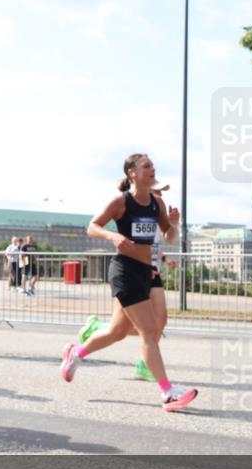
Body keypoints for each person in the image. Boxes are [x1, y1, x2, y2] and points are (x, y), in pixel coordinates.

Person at [60, 154, 198, 412]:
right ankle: (167, 393)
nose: (152, 169)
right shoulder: (121, 202)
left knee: (117, 331)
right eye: (147, 166)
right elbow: (92, 226)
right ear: (131, 172)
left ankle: (76, 354)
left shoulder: (157, 204)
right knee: (149, 331)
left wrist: (175, 224)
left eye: (153, 166)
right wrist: (113, 236)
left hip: (146, 272)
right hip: (124, 271)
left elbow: (168, 237)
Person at [79, 183, 175, 382]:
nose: (159, 195)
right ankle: (95, 330)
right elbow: (97, 227)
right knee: (120, 330)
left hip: (150, 270)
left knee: (160, 321)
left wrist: (174, 225)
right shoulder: (128, 206)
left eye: (161, 193)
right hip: (129, 270)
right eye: (157, 190)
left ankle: (145, 365)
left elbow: (160, 243)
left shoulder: (158, 209)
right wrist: (114, 236)